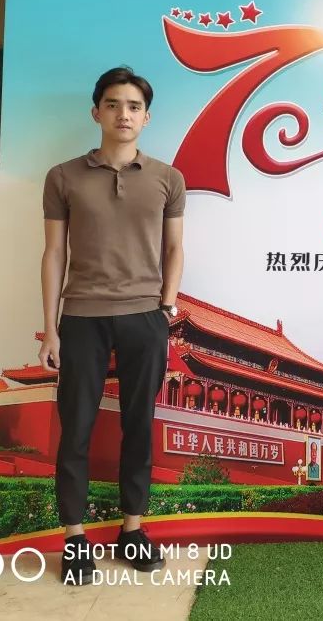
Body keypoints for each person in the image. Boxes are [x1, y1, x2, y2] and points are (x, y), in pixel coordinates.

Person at [39, 67, 185, 585]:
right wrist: (51, 327)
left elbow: (174, 248)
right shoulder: (63, 177)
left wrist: (166, 308)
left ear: (147, 117)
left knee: (138, 426)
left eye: (134, 106)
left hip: (145, 318)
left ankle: (132, 529)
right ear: (96, 112)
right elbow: (54, 253)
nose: (124, 114)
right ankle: (75, 537)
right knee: (76, 427)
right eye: (113, 104)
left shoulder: (168, 178)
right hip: (82, 317)